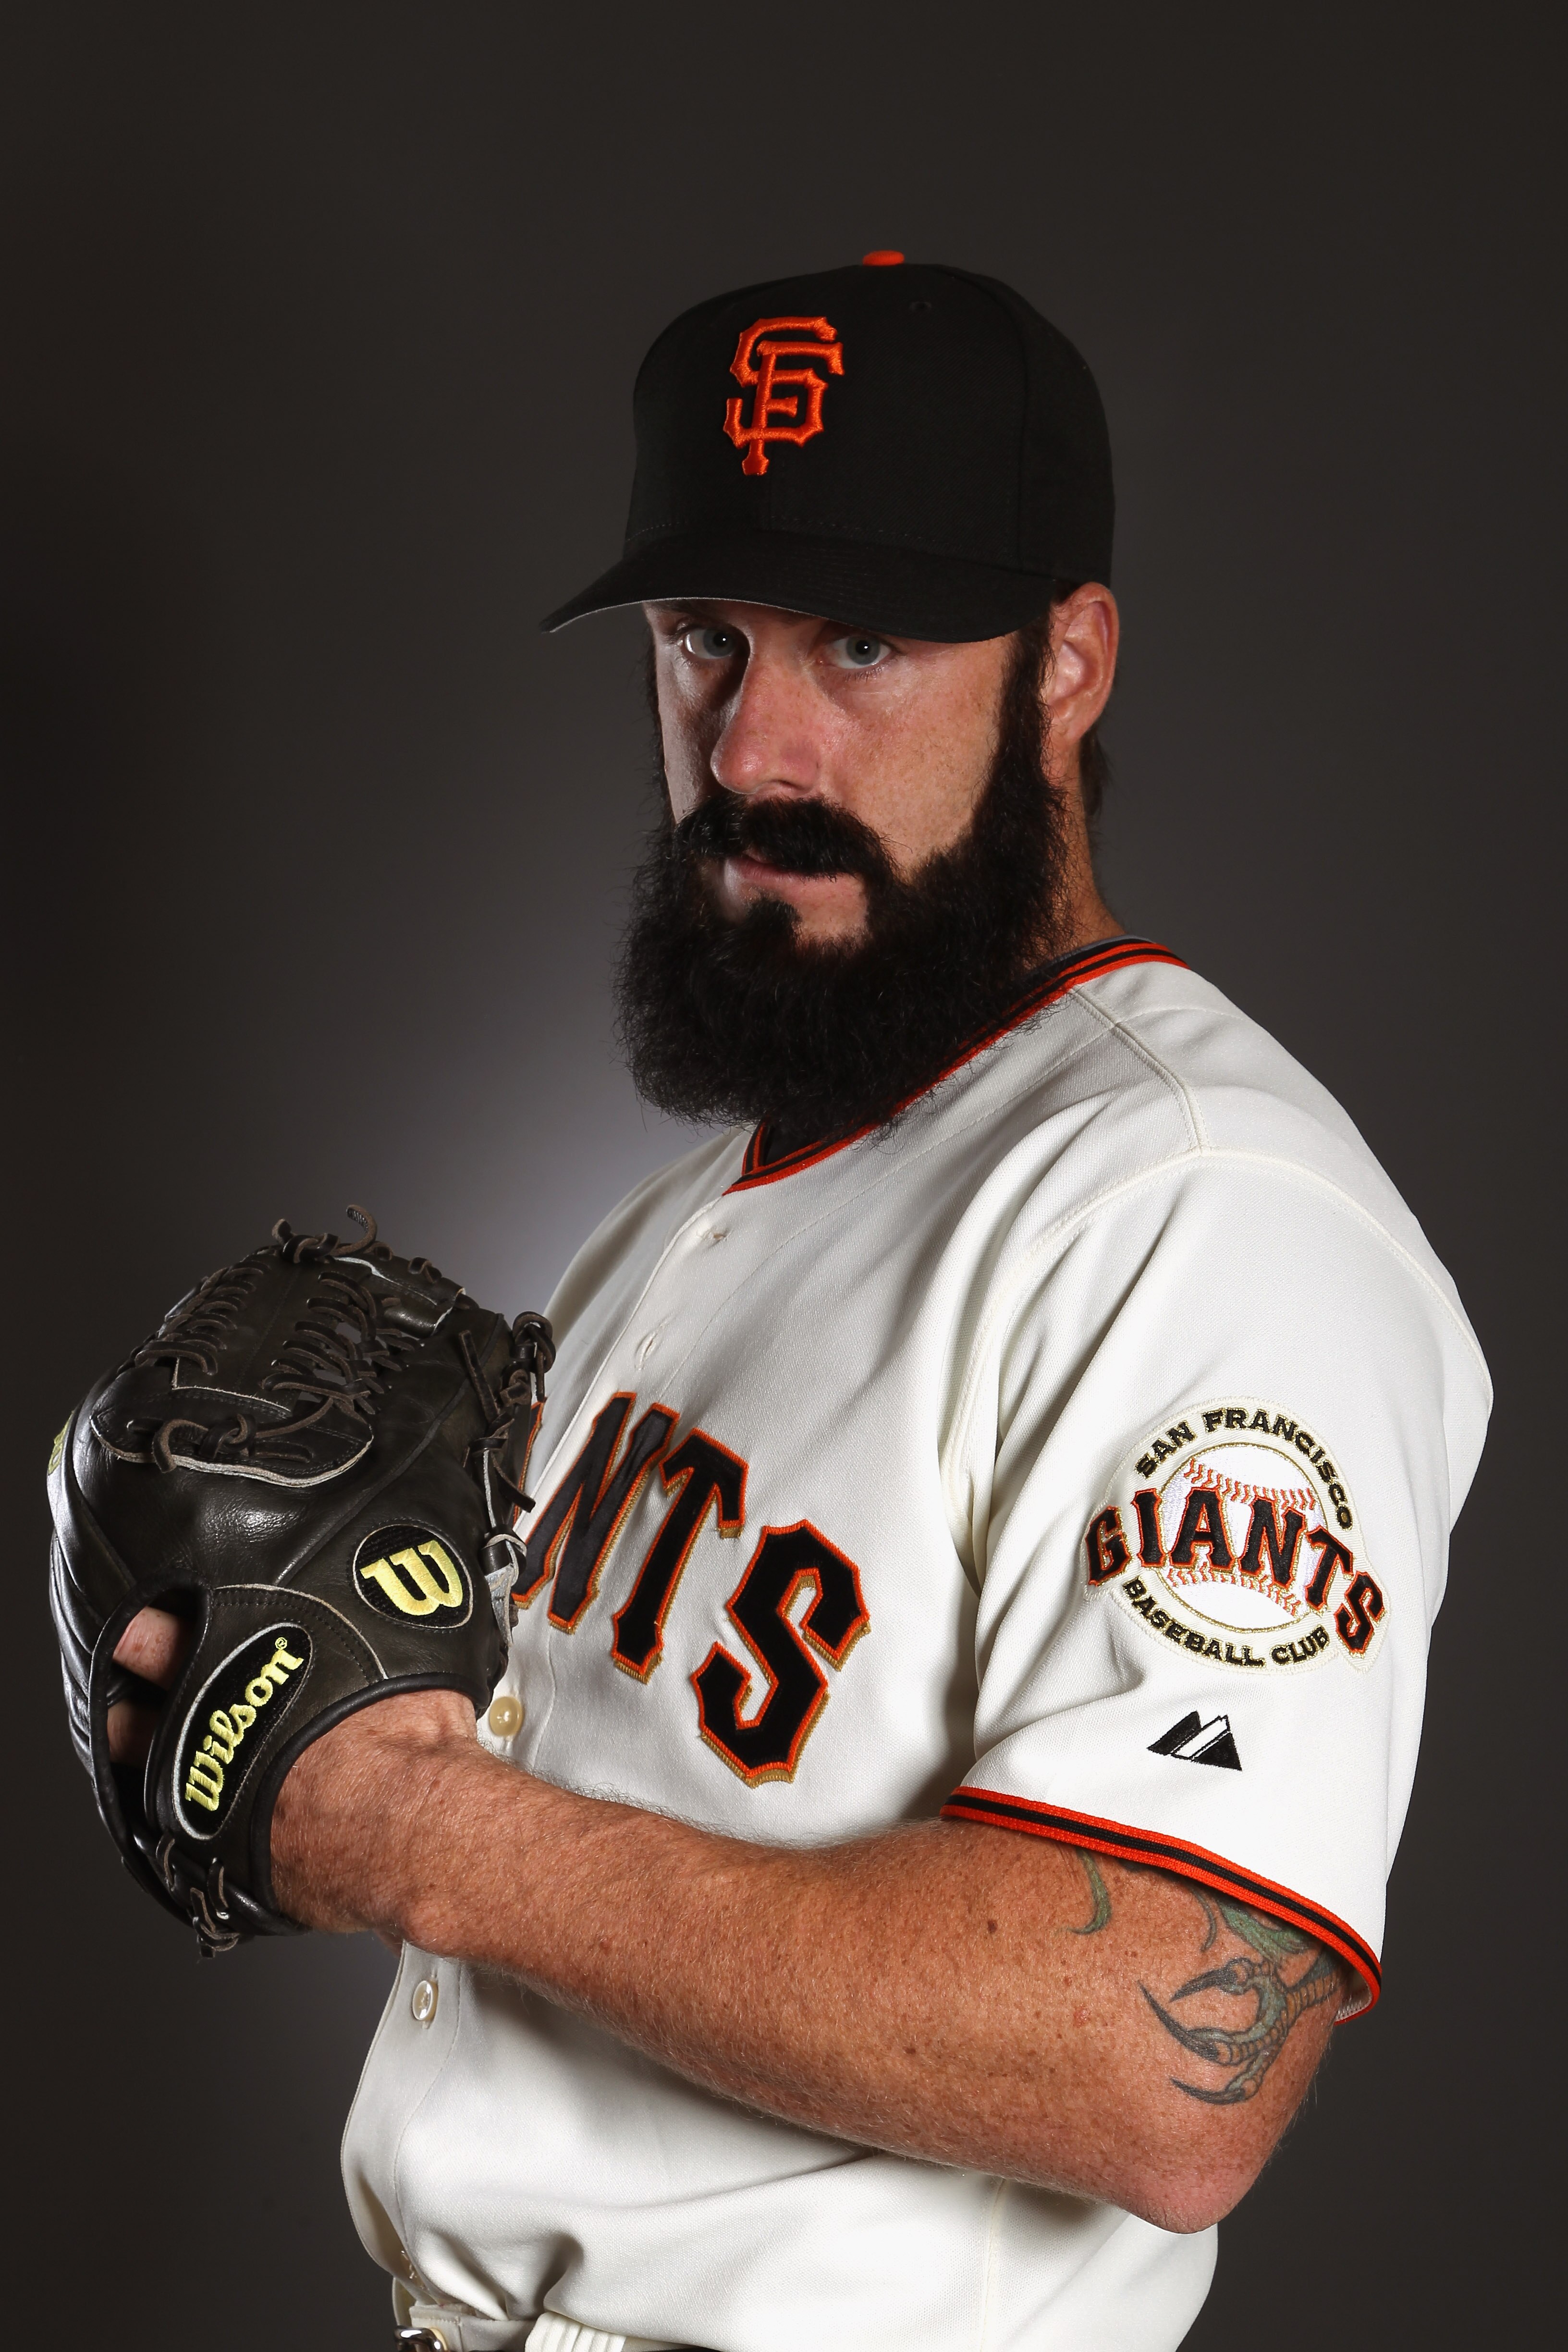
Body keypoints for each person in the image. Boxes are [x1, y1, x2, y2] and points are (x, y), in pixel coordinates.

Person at [109, 257, 1490, 2352]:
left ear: (1068, 662)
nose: (755, 744)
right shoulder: (674, 1224)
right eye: (703, 641)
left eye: (866, 640)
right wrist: (310, 1695)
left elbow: (1164, 2057)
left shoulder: (1204, 1210)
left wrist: (414, 1830)